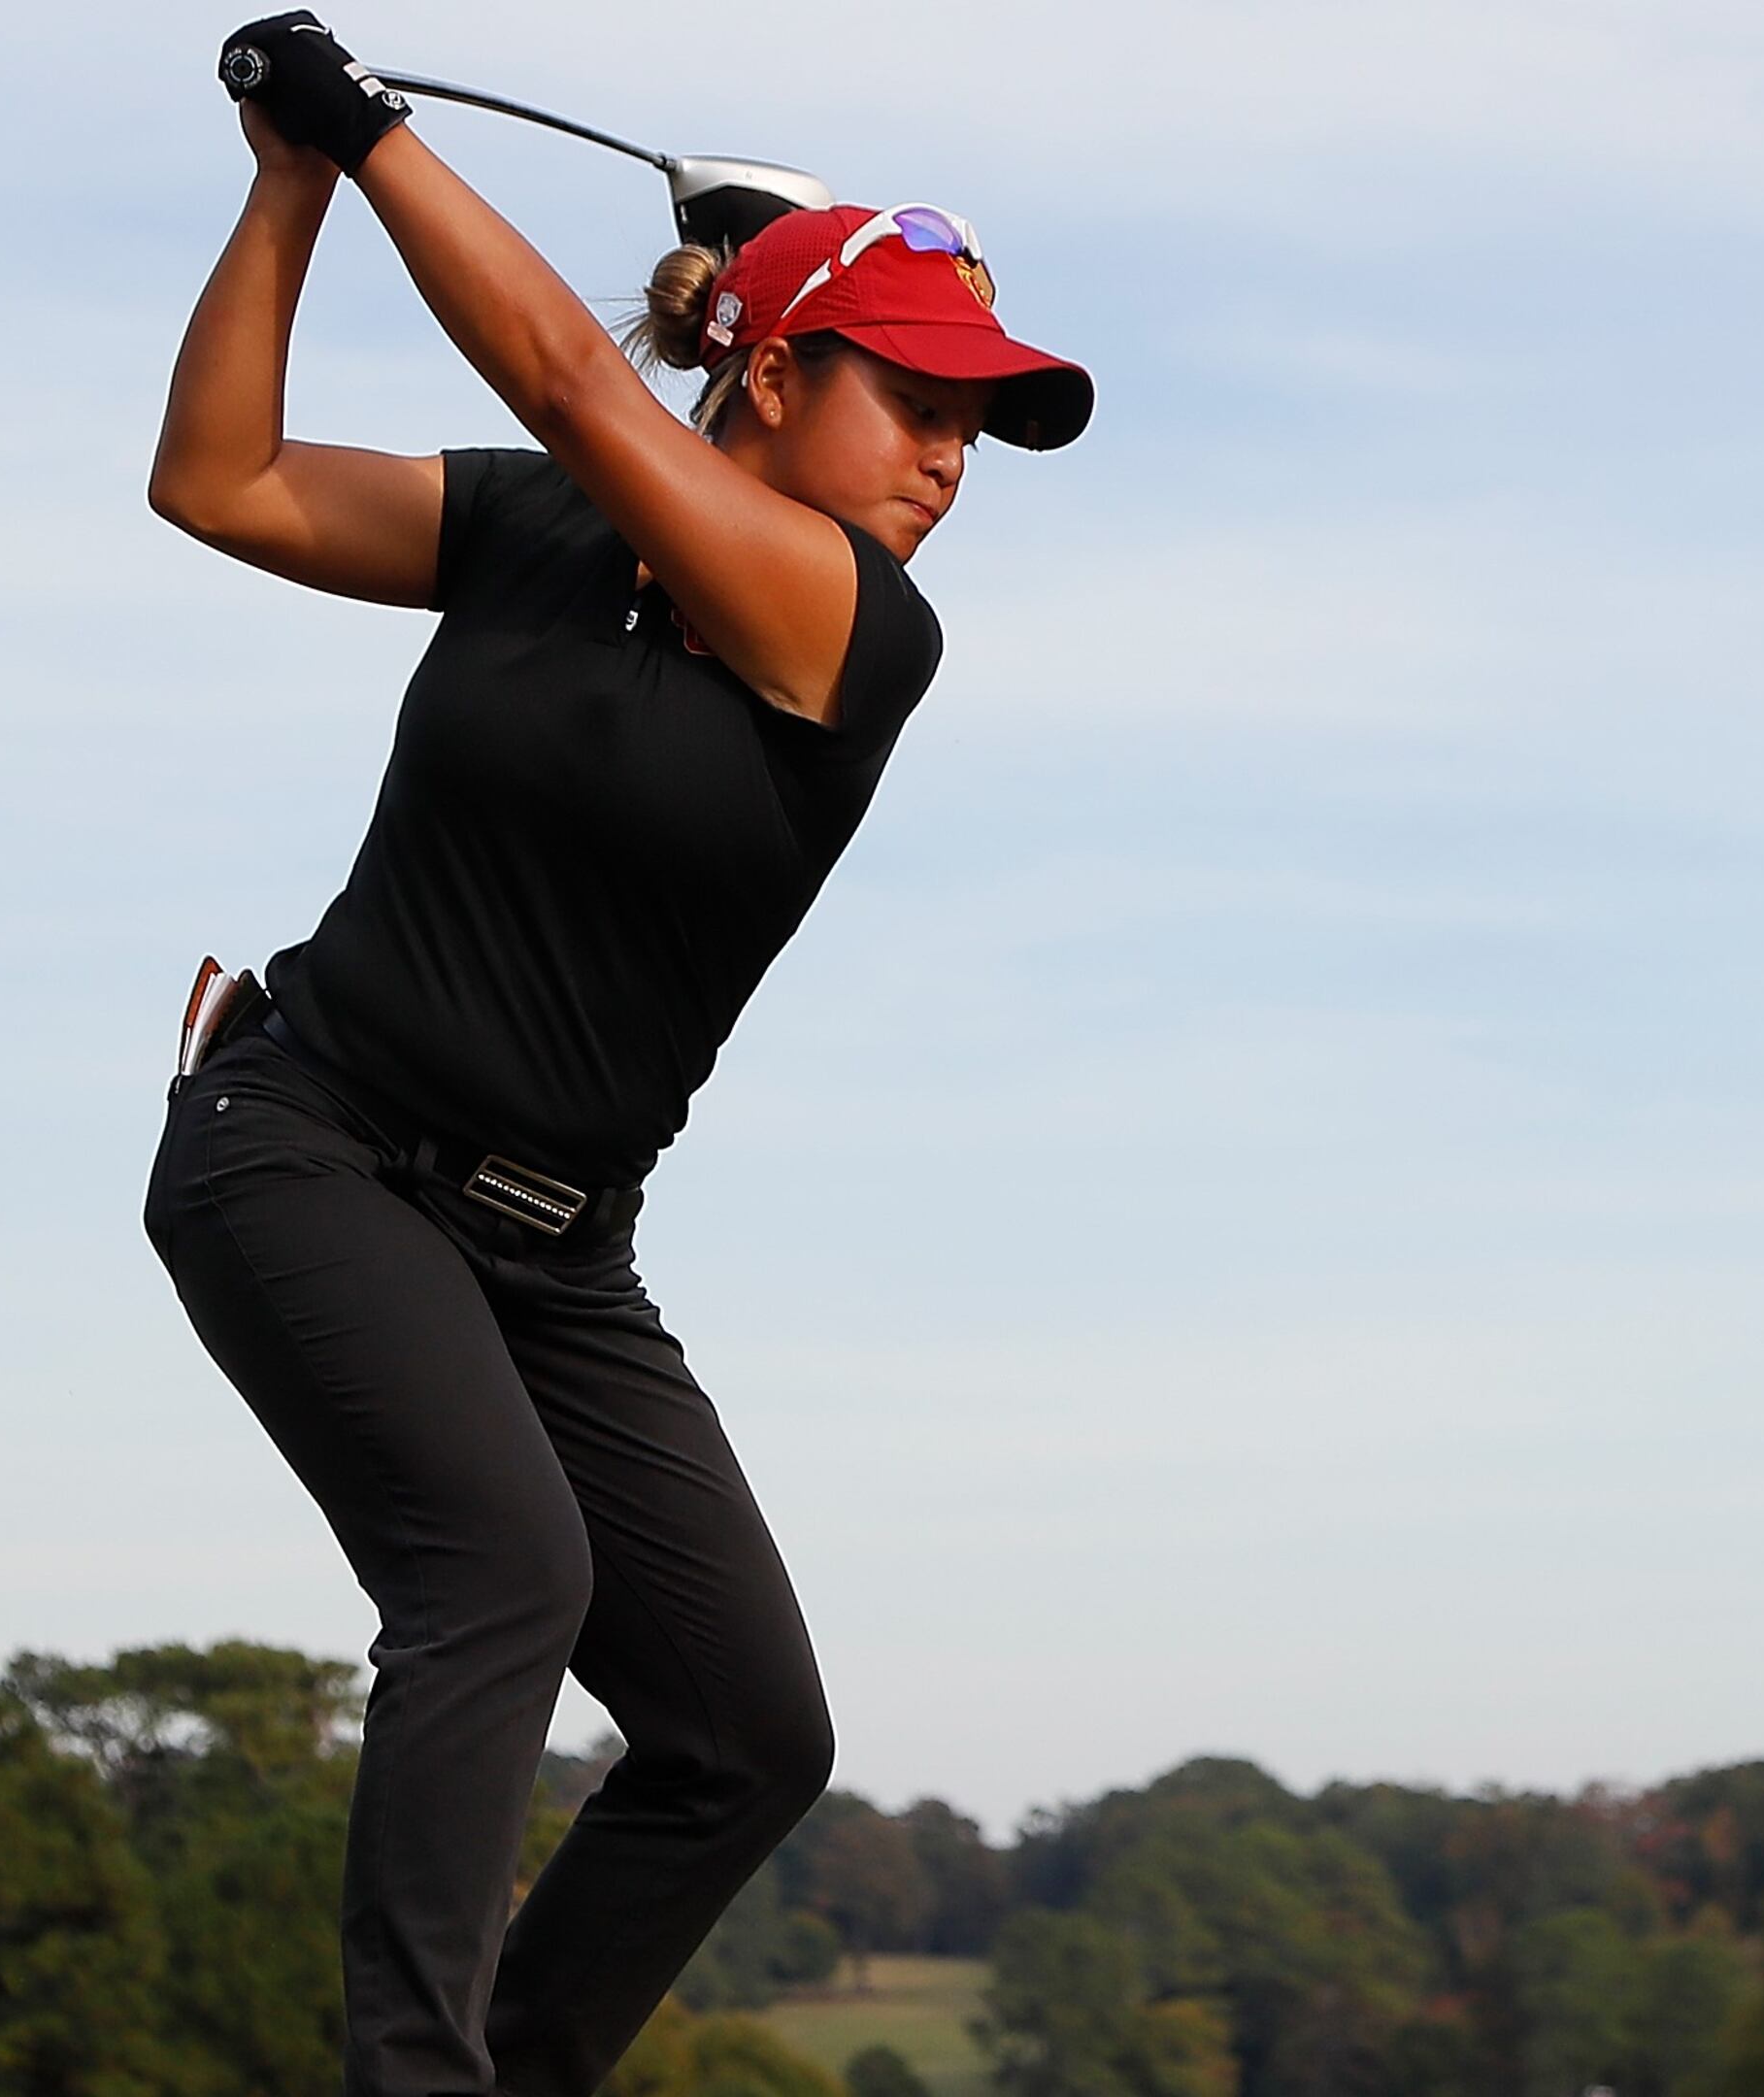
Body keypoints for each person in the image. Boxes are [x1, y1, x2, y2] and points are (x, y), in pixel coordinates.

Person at [137, 17, 1092, 2097]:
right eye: (919, 398)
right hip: (300, 1142)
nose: (952, 458)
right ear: (772, 371)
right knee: (498, 1573)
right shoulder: (531, 539)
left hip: (559, 1254)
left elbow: (578, 380)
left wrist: (367, 131)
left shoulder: (858, 629)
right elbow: (216, 478)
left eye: (979, 429)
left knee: (747, 1737)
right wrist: (289, 185)